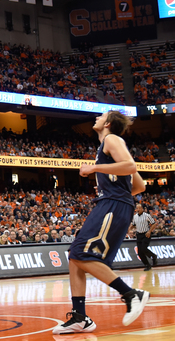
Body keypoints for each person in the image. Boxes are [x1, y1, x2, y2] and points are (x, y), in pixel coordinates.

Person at [53, 111, 148, 335]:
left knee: (79, 253)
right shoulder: (107, 146)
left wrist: (95, 169)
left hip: (113, 206)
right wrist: (113, 188)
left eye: (101, 116)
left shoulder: (111, 139)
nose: (96, 118)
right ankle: (79, 317)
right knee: (75, 257)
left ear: (107, 123)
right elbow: (140, 186)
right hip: (115, 203)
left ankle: (131, 294)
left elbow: (130, 166)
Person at [130, 203, 157, 271]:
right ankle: (147, 265)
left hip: (146, 234)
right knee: (139, 252)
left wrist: (149, 231)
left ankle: (153, 256)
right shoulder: (135, 216)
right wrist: (129, 229)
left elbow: (154, 224)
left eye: (139, 208)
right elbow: (133, 225)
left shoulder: (147, 215)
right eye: (137, 208)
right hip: (139, 235)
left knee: (143, 248)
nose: (138, 209)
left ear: (142, 209)